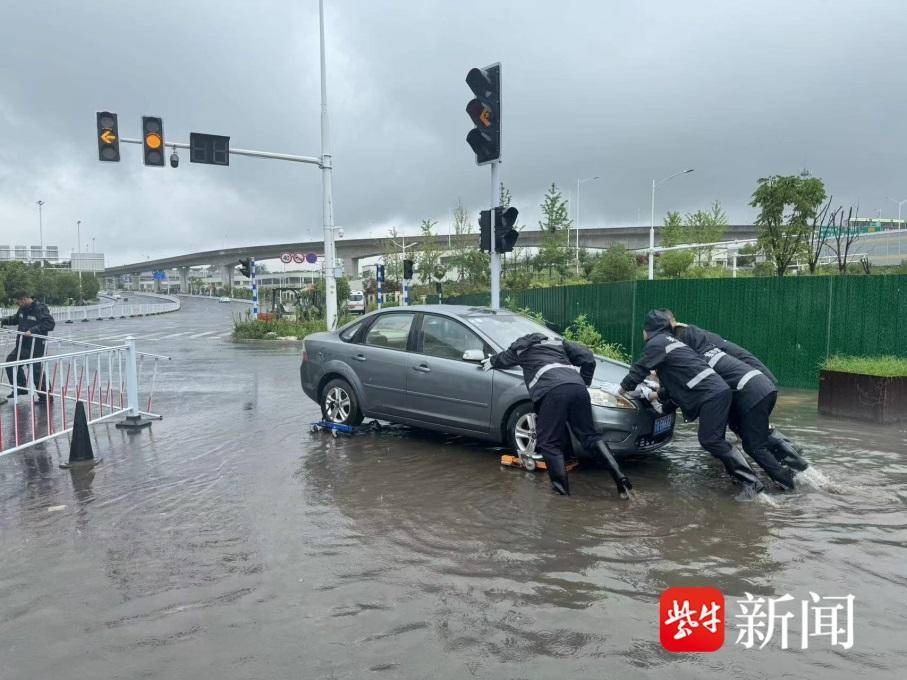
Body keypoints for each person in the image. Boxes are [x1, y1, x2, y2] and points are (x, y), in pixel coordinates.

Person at [619, 310, 763, 497]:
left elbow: (638, 370)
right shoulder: (673, 343)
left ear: (648, 330)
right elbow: (677, 386)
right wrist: (657, 400)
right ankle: (741, 478)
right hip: (717, 393)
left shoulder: (657, 343)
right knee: (715, 440)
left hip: (711, 396)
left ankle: (751, 482)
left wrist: (619, 391)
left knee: (710, 440)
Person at [483, 332, 632, 498]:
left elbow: (502, 359)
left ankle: (561, 494)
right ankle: (621, 479)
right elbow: (588, 358)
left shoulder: (521, 349)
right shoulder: (559, 344)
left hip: (553, 392)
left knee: (549, 443)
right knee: (590, 437)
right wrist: (584, 382)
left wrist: (490, 361)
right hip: (578, 389)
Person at [661, 310, 809, 475]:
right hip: (751, 380)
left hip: (746, 384)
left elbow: (694, 380)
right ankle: (794, 464)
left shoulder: (686, 338)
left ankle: (791, 464)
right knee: (747, 431)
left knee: (752, 435)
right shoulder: (695, 333)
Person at [1, 291, 55, 403]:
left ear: (25, 299)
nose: (18, 304)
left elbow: (50, 324)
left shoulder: (40, 308)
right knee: (11, 362)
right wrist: (3, 321)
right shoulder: (22, 309)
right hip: (22, 344)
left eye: (19, 301)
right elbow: (16, 319)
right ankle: (20, 388)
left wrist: (33, 330)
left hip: (36, 346)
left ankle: (46, 397)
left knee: (36, 371)